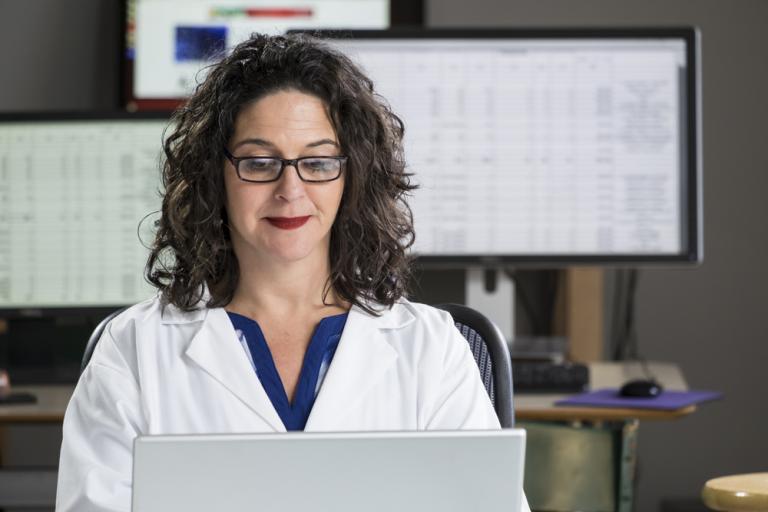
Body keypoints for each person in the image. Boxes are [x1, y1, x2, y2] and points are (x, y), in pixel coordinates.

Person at [55, 33, 530, 512]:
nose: (290, 188)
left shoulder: (432, 348)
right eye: (259, 162)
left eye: (318, 162)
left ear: (351, 176)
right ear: (214, 176)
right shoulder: (135, 350)